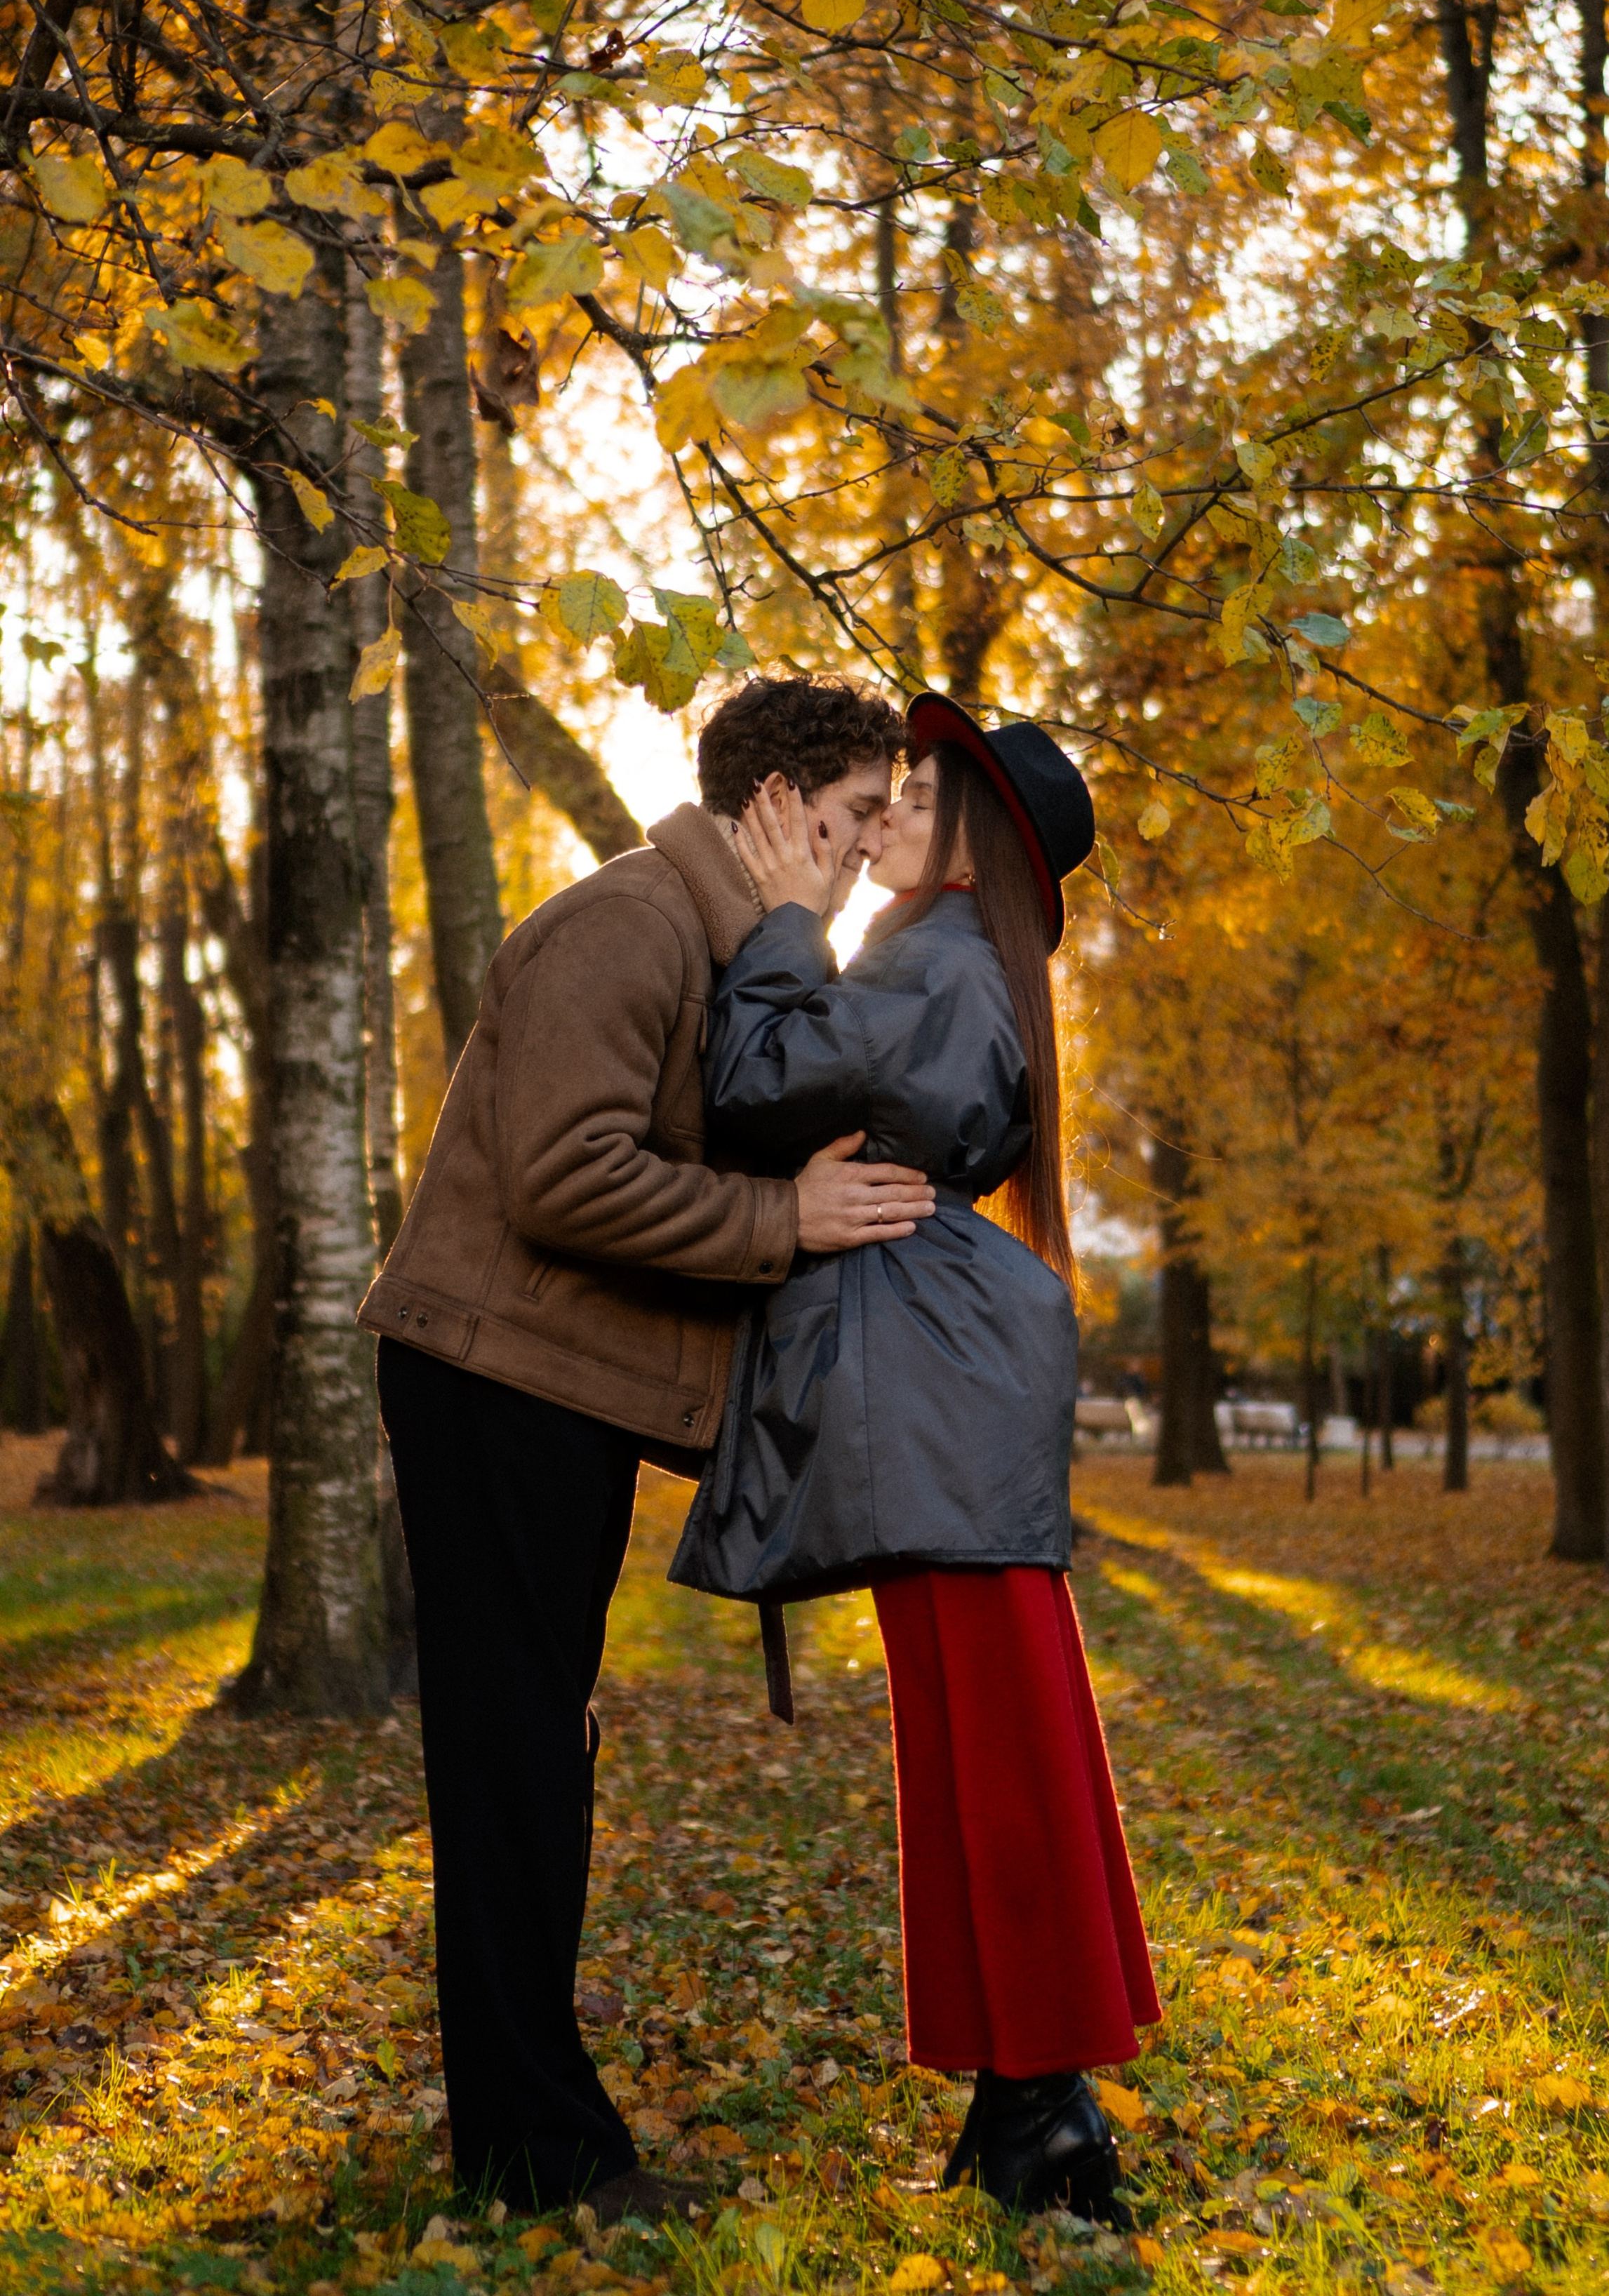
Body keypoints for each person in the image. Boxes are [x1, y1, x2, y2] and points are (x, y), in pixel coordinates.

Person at [359, 675, 938, 2217]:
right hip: (488, 1375)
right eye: (860, 815)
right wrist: (781, 1220)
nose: (872, 849)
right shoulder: (622, 924)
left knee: (534, 1750)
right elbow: (565, 1180)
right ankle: (535, 2156)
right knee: (510, 1760)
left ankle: (524, 2128)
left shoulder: (723, 941)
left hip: (552, 1385)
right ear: (773, 802)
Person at [670, 694, 1159, 2222]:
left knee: (1001, 1744)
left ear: (969, 855)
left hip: (936, 1387)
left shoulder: (936, 965)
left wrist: (781, 915)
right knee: (974, 1742)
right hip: (935, 1380)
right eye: (875, 799)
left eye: (913, 799)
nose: (876, 816)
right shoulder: (939, 961)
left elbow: (750, 1083)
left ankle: (1052, 2111)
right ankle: (1024, 2097)